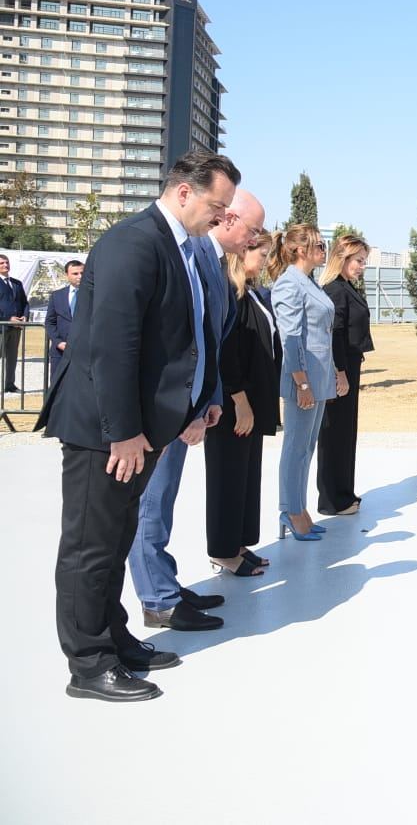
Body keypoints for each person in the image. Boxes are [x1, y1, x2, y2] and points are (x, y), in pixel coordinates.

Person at [37, 150, 240, 702]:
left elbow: (186, 337)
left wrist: (197, 402)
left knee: (117, 536)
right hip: (105, 430)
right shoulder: (135, 241)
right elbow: (112, 345)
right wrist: (123, 430)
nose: (222, 219)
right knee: (89, 546)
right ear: (183, 193)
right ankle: (88, 664)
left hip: (142, 431)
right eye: (217, 207)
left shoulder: (174, 246)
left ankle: (115, 639)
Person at [128, 188, 265, 631]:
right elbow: (173, 343)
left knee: (162, 501)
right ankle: (159, 600)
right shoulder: (189, 256)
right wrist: (184, 408)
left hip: (190, 408)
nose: (255, 239)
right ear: (229, 220)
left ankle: (163, 583)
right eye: (254, 229)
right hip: (165, 411)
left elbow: (211, 342)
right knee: (150, 504)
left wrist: (208, 401)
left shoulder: (210, 261)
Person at [205, 231, 280, 576]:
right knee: (227, 476)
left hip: (253, 400)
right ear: (242, 253)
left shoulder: (252, 293)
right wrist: (241, 401)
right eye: (260, 255)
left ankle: (238, 542)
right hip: (235, 404)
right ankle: (223, 549)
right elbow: (227, 355)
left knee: (246, 476)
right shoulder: (230, 295)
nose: (264, 262)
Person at [269, 225, 336, 541]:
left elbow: (322, 334)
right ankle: (290, 510)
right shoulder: (289, 285)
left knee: (307, 447)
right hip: (304, 381)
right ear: (299, 250)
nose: (324, 250)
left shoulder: (310, 283)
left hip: (318, 378)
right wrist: (302, 383)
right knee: (295, 448)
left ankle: (300, 508)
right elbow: (291, 339)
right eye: (319, 245)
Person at [317, 234, 373, 516]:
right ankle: (332, 498)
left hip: (349, 364)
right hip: (340, 367)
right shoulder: (335, 289)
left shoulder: (345, 286)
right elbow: (334, 333)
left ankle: (343, 492)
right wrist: (339, 372)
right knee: (335, 432)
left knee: (344, 431)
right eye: (358, 260)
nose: (362, 266)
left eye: (364, 261)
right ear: (343, 258)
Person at [44, 260, 84, 380]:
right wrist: (58, 342)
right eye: (75, 273)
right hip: (60, 351)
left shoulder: (93, 296)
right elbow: (50, 322)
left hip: (84, 350)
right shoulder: (57, 296)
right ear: (67, 275)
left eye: (82, 273)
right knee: (57, 384)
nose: (80, 276)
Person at [0, 253, 28, 393]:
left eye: (7, 262)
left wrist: (24, 316)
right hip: (1, 326)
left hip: (16, 328)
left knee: (12, 357)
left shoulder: (17, 283)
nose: (5, 265)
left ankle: (9, 385)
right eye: (2, 263)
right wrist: (7, 318)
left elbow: (24, 303)